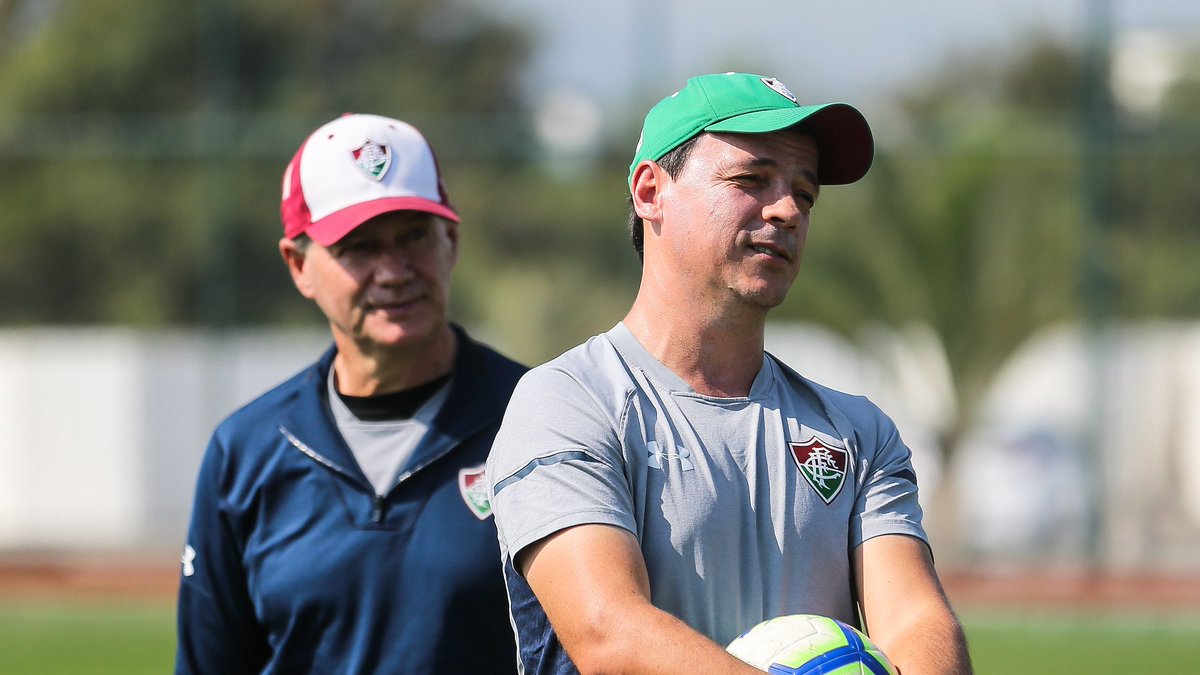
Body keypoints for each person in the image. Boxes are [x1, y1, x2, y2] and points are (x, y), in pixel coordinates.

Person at [487, 73, 973, 674]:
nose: (788, 209)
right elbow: (610, 635)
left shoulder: (858, 431)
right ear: (649, 191)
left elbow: (915, 621)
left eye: (805, 192)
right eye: (751, 179)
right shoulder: (567, 404)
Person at [175, 113, 525, 674]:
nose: (394, 271)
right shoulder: (245, 451)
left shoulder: (542, 420)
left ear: (451, 242)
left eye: (414, 236)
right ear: (298, 265)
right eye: (358, 247)